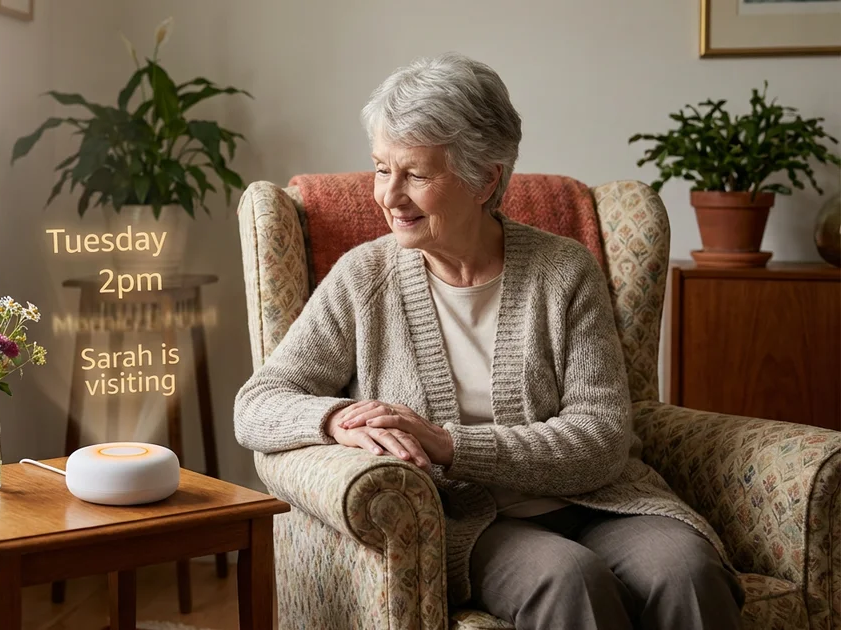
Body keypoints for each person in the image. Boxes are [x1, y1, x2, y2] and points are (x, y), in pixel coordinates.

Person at [233, 53, 744, 630]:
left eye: (415, 175)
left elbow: (602, 439)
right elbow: (257, 404)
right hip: (473, 523)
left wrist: (449, 443)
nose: (390, 196)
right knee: (568, 578)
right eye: (381, 169)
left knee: (687, 569)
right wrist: (337, 420)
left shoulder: (564, 271)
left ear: (485, 180)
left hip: (602, 502)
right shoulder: (363, 279)